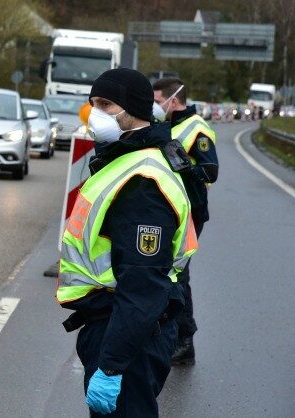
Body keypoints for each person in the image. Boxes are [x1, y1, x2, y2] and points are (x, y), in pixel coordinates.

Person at [57, 68, 199, 416]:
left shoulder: (142, 183)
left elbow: (142, 286)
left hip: (129, 334)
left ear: (134, 110)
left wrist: (111, 366)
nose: (95, 114)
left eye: (106, 104)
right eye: (92, 104)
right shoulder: (124, 160)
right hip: (117, 325)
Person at [153, 77, 218, 366]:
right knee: (164, 270)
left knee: (179, 273)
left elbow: (210, 171)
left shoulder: (197, 129)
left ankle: (184, 340)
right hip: (169, 209)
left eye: (157, 102)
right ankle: (165, 332)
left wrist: (183, 166)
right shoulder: (169, 124)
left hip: (190, 211)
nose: (154, 107)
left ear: (173, 100)